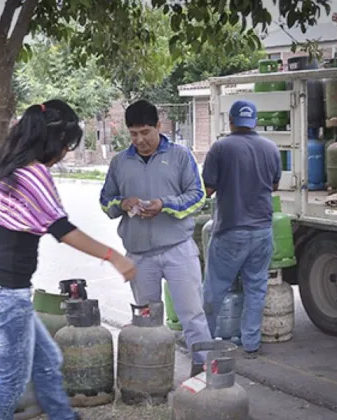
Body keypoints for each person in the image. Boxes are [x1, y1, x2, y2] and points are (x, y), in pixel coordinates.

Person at [0, 100, 136, 420]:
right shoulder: (32, 175)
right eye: (65, 145)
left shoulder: (6, 169)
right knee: (12, 380)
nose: (65, 153)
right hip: (3, 295)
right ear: (52, 141)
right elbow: (62, 230)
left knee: (47, 362)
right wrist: (114, 256)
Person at [99, 99, 212, 375]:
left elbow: (198, 197)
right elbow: (105, 202)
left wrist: (165, 204)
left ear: (159, 127)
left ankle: (205, 373)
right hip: (139, 255)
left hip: (178, 250)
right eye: (133, 134)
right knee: (145, 320)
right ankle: (150, 376)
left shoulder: (180, 156)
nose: (140, 140)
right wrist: (123, 204)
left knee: (192, 315)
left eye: (145, 132)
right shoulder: (119, 162)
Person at [201, 99, 281, 359]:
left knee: (215, 288)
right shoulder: (271, 148)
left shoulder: (220, 148)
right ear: (254, 121)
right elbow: (274, 186)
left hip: (230, 230)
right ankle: (251, 344)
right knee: (255, 289)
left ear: (231, 121)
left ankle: (206, 343)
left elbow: (209, 189)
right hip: (262, 231)